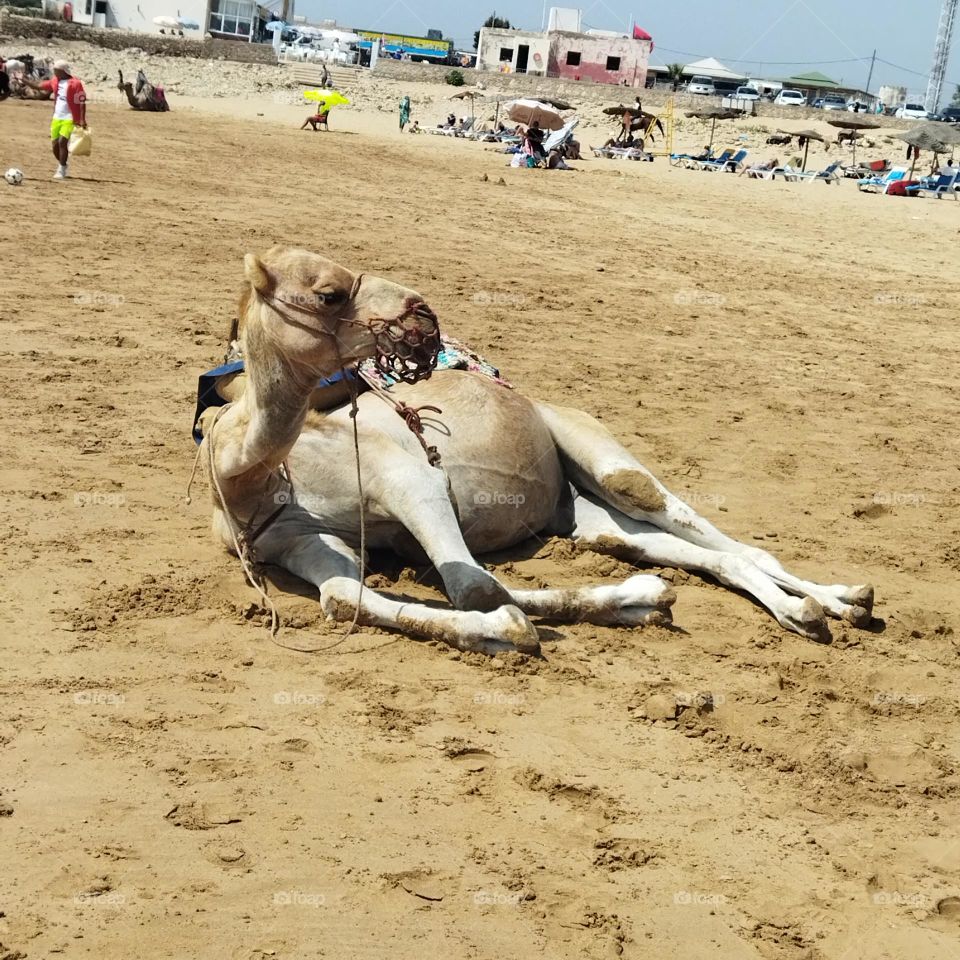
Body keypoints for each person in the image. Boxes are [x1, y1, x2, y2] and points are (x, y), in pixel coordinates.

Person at [21, 59, 86, 180]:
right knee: (55, 145)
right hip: (57, 117)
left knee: (62, 142)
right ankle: (64, 164)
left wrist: (82, 119)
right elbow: (39, 86)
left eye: (56, 71)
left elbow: (81, 101)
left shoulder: (76, 83)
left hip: (70, 117)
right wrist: (24, 79)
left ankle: (61, 168)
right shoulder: (55, 81)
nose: (54, 72)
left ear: (63, 71)